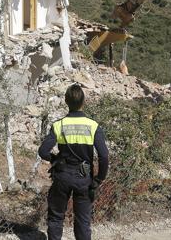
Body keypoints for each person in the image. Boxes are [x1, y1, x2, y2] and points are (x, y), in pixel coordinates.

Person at [38, 84, 109, 240]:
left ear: (66, 101)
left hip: (62, 176)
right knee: (83, 221)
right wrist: (99, 179)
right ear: (83, 102)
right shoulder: (93, 126)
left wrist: (55, 159)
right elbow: (104, 156)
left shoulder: (59, 125)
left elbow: (43, 151)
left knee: (56, 217)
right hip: (84, 178)